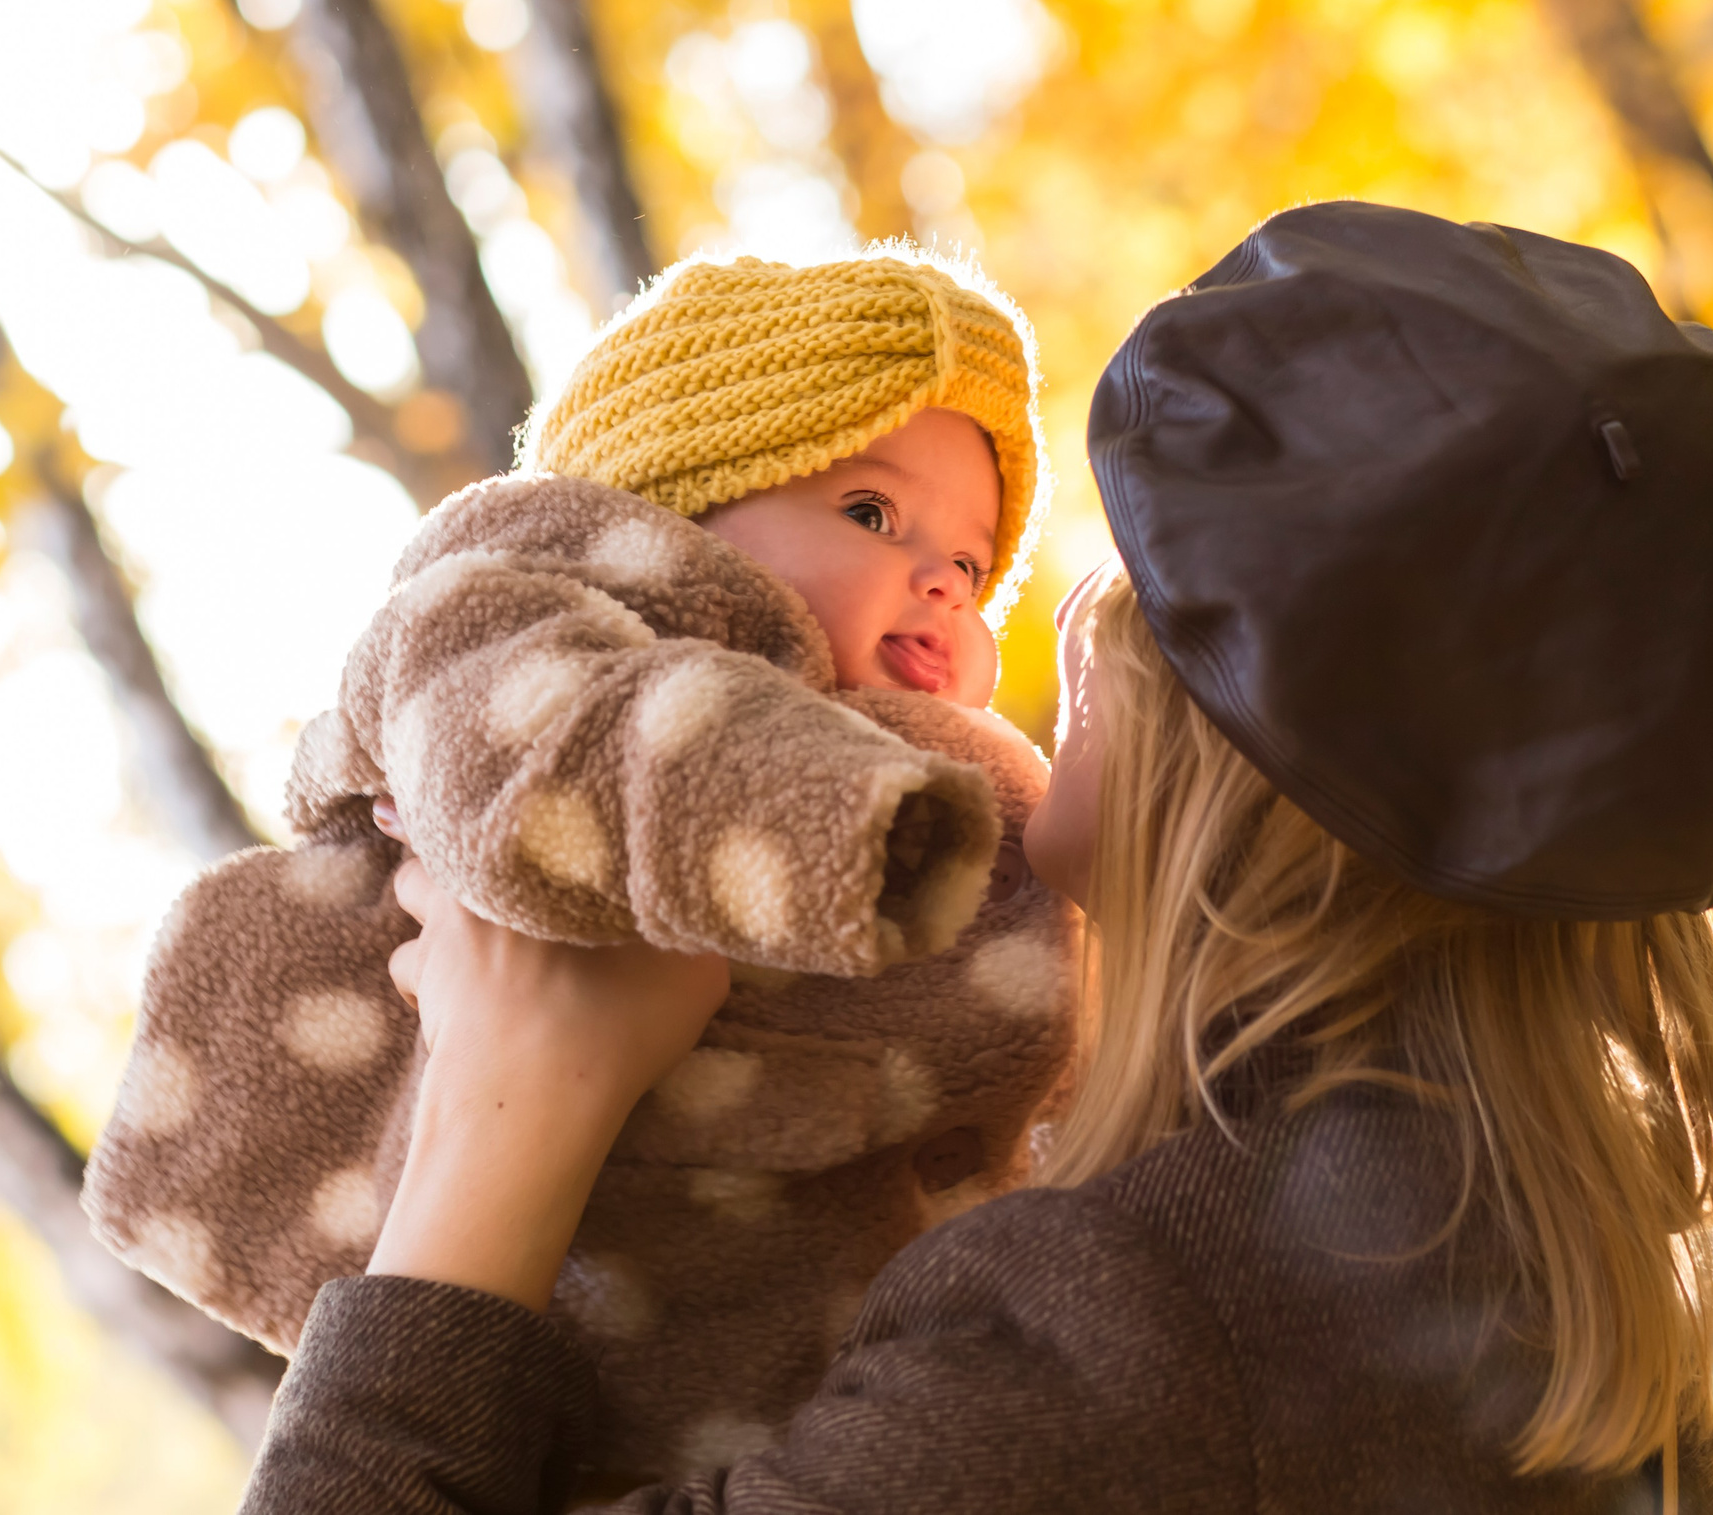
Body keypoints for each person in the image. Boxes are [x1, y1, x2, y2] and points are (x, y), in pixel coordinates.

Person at [236, 203, 1713, 1514]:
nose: (1071, 601)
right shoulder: (1484, 1253)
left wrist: (508, 1113)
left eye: (1166, 571)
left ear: (1276, 750)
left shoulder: (1135, 1340)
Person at [84, 250, 1081, 1482]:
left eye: (972, 569)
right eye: (870, 514)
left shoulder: (968, 784)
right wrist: (838, 827)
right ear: (675, 516)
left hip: (807, 1329)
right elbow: (544, 747)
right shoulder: (530, 616)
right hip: (546, 1261)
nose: (942, 583)